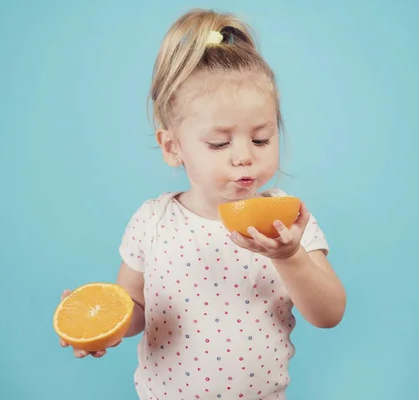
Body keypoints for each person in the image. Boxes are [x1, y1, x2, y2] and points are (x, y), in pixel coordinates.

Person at [59, 8, 346, 400]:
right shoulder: (153, 221)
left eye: (261, 139)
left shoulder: (287, 222)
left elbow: (329, 315)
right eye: (219, 143)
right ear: (173, 146)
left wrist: (291, 256)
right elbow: (136, 308)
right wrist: (100, 323)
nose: (244, 156)